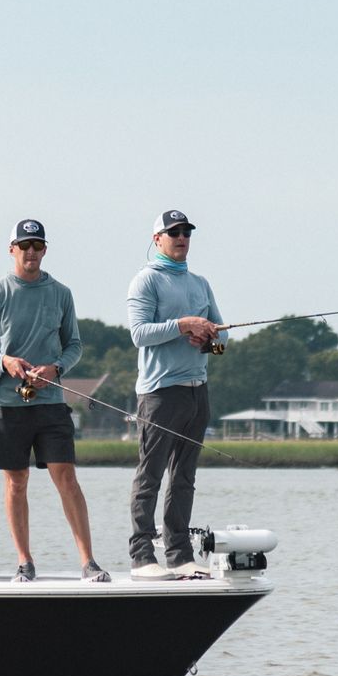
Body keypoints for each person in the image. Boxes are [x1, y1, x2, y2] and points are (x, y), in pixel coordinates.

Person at [0, 218, 109, 583]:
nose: (31, 252)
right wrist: (5, 362)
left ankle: (89, 562)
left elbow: (74, 345)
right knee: (17, 481)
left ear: (45, 250)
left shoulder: (61, 293)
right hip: (6, 403)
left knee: (67, 477)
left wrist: (55, 369)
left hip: (51, 402)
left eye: (38, 245)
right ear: (12, 249)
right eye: (24, 245)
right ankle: (25, 562)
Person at [125, 208, 226, 580]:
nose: (181, 237)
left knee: (184, 476)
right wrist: (183, 325)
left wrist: (207, 339)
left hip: (197, 392)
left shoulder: (201, 284)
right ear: (158, 240)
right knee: (150, 475)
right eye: (173, 232)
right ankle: (141, 555)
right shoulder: (146, 281)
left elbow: (224, 340)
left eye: (186, 231)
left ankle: (180, 553)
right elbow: (139, 334)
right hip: (160, 394)